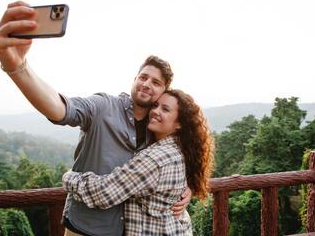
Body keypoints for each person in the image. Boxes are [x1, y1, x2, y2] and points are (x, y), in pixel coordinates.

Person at [0, 1, 192, 236]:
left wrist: (187, 187)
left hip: (124, 230)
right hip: (84, 228)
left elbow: (179, 160)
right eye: (143, 77)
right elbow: (59, 107)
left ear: (164, 91)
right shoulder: (103, 107)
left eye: (156, 82)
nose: (147, 84)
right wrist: (17, 67)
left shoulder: (158, 130)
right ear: (135, 79)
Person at [62, 89, 214, 235]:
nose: (155, 111)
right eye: (155, 105)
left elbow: (105, 193)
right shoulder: (179, 149)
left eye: (165, 109)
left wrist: (69, 177)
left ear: (179, 123)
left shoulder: (156, 158)